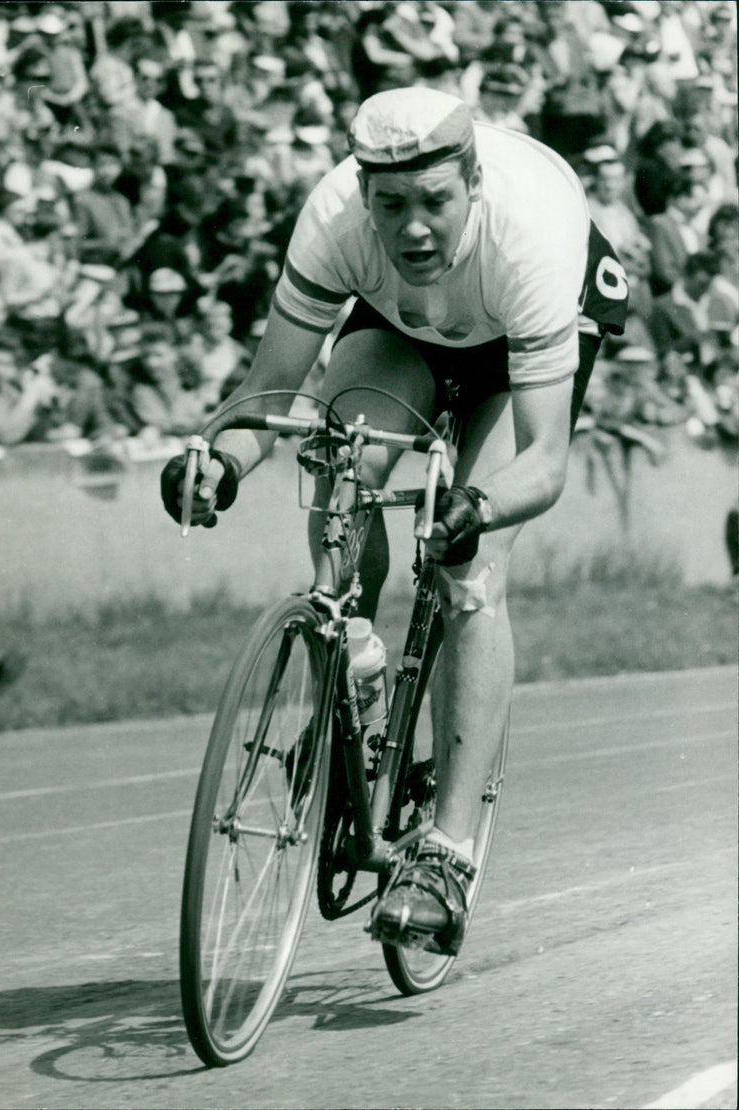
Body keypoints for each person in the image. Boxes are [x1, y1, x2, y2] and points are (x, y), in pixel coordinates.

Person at [160, 87, 628, 957]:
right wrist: (217, 462)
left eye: (435, 203)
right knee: (337, 457)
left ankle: (445, 855)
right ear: (363, 196)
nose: (413, 228)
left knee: (470, 573)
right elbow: (271, 395)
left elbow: (547, 462)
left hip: (523, 336)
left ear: (473, 183)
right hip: (409, 324)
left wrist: (476, 508)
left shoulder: (529, 235)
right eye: (392, 206)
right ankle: (359, 665)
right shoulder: (334, 218)